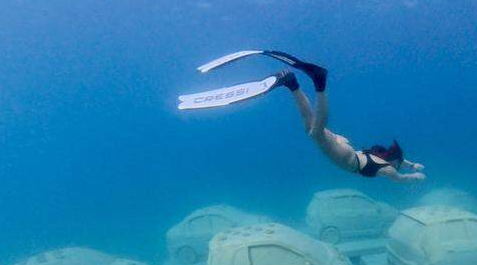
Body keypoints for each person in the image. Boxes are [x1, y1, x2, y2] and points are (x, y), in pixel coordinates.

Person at [178, 50, 426, 182]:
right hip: (348, 158)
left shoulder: (385, 157)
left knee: (310, 127)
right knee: (316, 132)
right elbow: (400, 179)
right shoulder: (388, 170)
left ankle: (291, 83)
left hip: (348, 147)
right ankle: (320, 83)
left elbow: (400, 160)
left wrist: (412, 164)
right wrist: (414, 176)